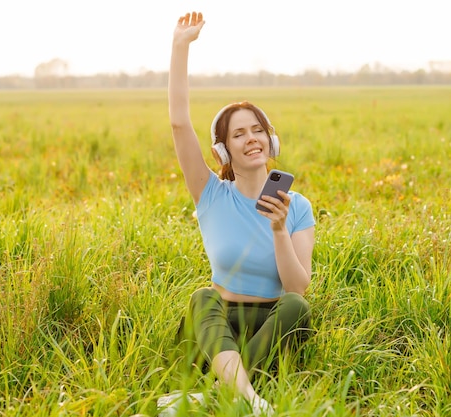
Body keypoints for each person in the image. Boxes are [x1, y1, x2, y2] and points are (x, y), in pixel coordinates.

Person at [166, 11, 316, 416]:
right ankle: (247, 397)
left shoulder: (296, 206)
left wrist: (280, 229)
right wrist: (181, 47)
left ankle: (218, 393)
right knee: (202, 297)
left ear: (271, 140)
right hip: (216, 328)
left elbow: (297, 287)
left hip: (268, 328)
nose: (251, 138)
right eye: (238, 133)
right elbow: (180, 125)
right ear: (222, 151)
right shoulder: (211, 194)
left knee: (296, 308)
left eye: (257, 130)